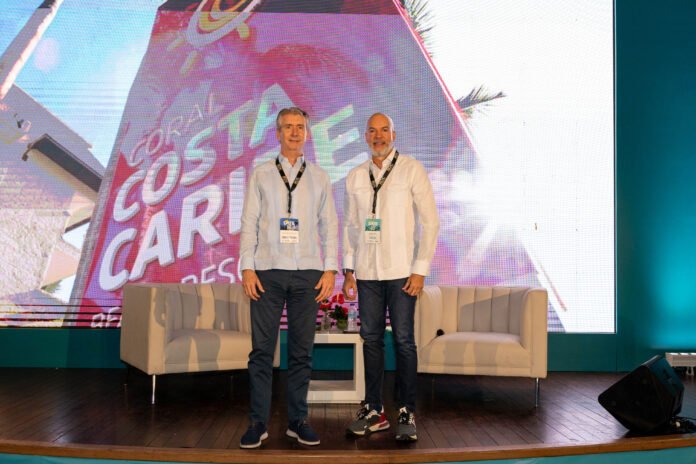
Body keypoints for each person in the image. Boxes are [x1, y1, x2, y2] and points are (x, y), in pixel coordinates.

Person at [239, 107, 338, 448]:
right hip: (266, 271)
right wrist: (247, 267)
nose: (295, 132)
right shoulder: (262, 173)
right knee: (261, 352)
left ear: (306, 133)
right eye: (288, 127)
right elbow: (249, 221)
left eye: (300, 127)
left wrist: (330, 268)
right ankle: (258, 423)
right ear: (277, 133)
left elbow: (330, 225)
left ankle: (298, 420)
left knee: (301, 352)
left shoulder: (320, 177)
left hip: (308, 273)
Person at [342, 113, 439, 442]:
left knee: (403, 341)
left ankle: (407, 410)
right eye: (373, 131)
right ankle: (374, 410)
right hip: (367, 273)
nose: (378, 136)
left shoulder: (412, 169)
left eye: (384, 130)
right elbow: (351, 226)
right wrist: (348, 270)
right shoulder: (355, 175)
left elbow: (430, 221)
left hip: (402, 273)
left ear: (394, 135)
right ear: (365, 137)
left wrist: (420, 269)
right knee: (370, 340)